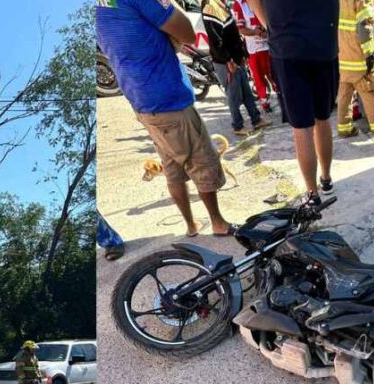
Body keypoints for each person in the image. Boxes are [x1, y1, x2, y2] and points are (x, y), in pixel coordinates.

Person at [97, 0, 234, 236]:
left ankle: (191, 226)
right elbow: (188, 34)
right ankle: (218, 223)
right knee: (201, 161)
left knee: (172, 167)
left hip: (141, 100)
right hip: (168, 96)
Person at [246, 0, 339, 198]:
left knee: (302, 127)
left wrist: (271, 26)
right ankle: (326, 179)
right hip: (323, 44)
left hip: (287, 46)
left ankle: (312, 193)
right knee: (322, 119)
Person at [203, 0, 270, 136]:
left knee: (246, 92)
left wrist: (241, 53)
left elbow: (233, 32)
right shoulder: (210, 6)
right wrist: (227, 60)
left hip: (236, 58)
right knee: (233, 94)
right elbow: (216, 39)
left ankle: (256, 119)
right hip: (226, 61)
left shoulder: (222, 4)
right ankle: (238, 126)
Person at [336, 0, 374, 137]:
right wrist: (369, 54)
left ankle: (344, 127)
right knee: (368, 87)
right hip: (358, 54)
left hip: (344, 54)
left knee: (345, 90)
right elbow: (364, 25)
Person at [232, 0, 276, 113]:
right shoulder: (239, 4)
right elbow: (241, 29)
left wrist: (267, 31)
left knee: (275, 75)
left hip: (269, 46)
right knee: (258, 77)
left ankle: (283, 99)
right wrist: (255, 32)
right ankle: (265, 102)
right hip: (253, 50)